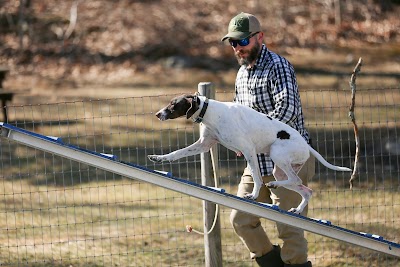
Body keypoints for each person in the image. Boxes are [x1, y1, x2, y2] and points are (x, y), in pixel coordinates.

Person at [221, 12, 315, 267]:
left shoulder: (279, 66)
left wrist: (254, 137)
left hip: (288, 160)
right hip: (256, 164)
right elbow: (239, 115)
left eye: (242, 42)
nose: (237, 48)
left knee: (289, 228)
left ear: (259, 37)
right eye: (233, 43)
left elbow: (288, 109)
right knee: (241, 220)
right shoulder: (241, 74)